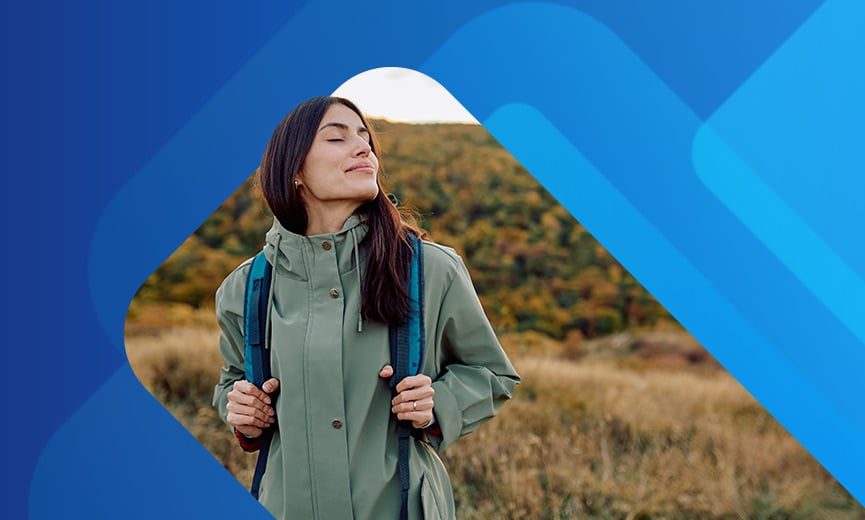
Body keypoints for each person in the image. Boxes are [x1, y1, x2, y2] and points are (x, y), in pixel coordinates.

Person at [212, 96, 520, 520]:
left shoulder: (431, 268)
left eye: (365, 138)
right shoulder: (244, 288)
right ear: (295, 170)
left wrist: (439, 404)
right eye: (337, 138)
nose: (363, 149)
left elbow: (492, 374)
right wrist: (242, 410)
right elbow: (231, 382)